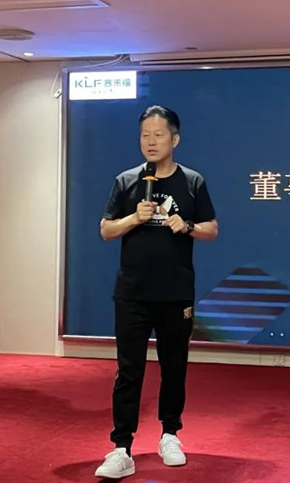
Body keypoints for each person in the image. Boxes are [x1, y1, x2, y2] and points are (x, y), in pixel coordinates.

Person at [95, 105, 218, 480]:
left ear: (174, 139)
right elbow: (106, 229)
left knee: (174, 367)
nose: (151, 141)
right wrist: (135, 218)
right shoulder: (127, 181)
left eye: (158, 134)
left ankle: (170, 435)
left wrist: (188, 225)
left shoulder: (192, 181)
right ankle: (121, 448)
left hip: (175, 293)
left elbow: (212, 229)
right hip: (132, 292)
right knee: (128, 371)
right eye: (145, 135)